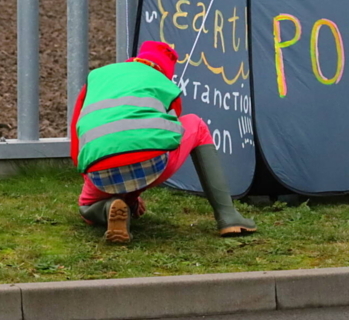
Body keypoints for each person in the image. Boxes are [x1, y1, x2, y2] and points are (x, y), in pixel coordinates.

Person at [70, 41, 257, 244]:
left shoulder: (97, 76)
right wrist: (133, 195)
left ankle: (107, 208)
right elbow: (166, 137)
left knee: (86, 206)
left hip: (99, 166)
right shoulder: (164, 84)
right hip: (151, 164)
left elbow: (76, 131)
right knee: (196, 126)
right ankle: (227, 216)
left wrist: (89, 173)